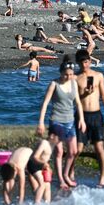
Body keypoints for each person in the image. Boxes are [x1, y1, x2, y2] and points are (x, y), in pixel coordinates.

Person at [37, 57, 86, 190]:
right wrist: (41, 122)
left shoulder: (73, 83)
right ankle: (61, 179)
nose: (68, 76)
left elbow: (78, 103)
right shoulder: (54, 84)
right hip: (56, 120)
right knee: (59, 151)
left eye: (70, 74)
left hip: (70, 121)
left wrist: (81, 119)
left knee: (73, 151)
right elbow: (45, 103)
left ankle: (66, 174)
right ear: (60, 73)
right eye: (66, 74)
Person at [75, 50, 104, 188]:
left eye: (86, 62)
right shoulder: (75, 78)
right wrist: (84, 93)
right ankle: (71, 174)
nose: (84, 65)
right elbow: (74, 99)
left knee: (99, 147)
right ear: (78, 63)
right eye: (81, 62)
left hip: (96, 114)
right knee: (77, 148)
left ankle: (103, 177)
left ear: (90, 61)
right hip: (81, 115)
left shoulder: (98, 76)